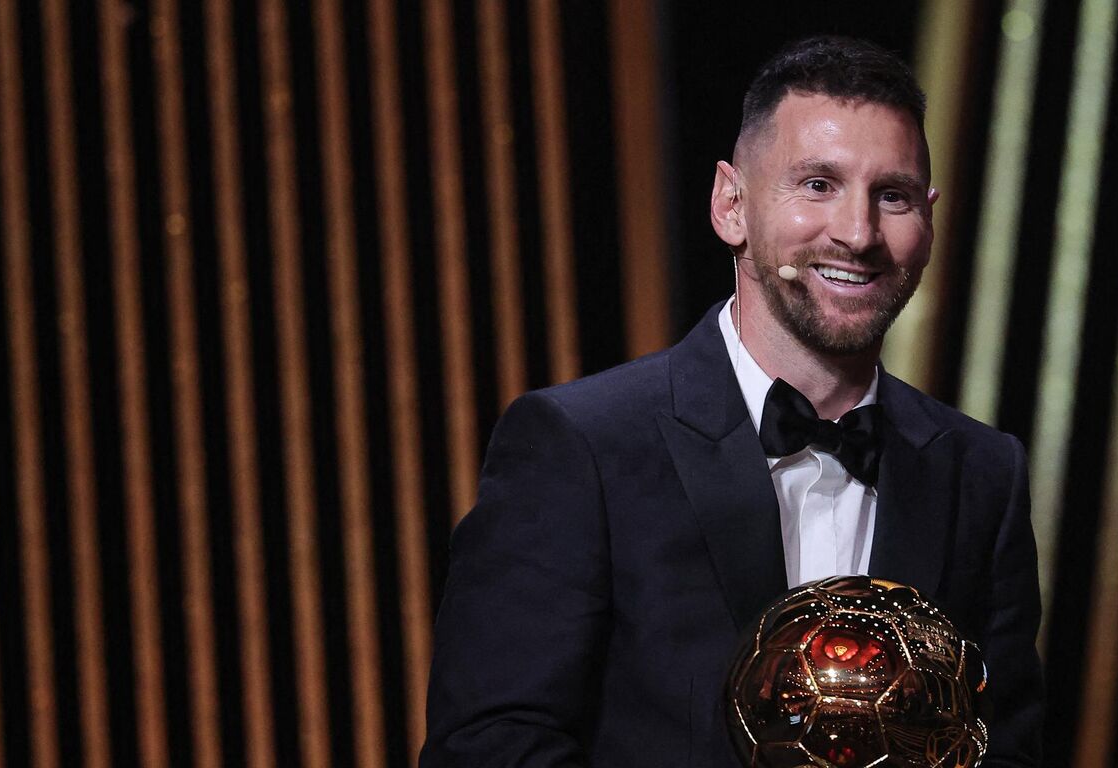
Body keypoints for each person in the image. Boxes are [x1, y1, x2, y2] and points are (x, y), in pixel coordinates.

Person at [421, 36, 1043, 766]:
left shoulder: (982, 471)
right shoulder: (579, 445)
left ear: (928, 223)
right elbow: (489, 749)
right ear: (731, 205)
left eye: (893, 195)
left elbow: (1002, 750)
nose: (857, 232)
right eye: (817, 184)